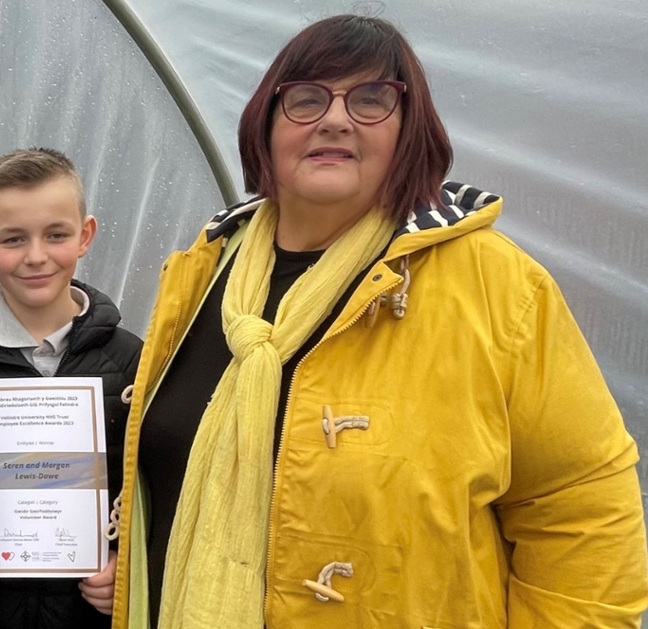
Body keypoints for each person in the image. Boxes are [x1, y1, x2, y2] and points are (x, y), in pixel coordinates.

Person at [109, 14, 648, 629]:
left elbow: (579, 507)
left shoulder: (498, 288)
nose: (334, 118)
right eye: (306, 98)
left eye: (371, 100)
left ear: (408, 131)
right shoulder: (205, 273)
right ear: (267, 124)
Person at [0, 148, 141, 628]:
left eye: (56, 235)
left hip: (87, 616)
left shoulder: (132, 362)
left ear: (85, 235)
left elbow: (151, 491)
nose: (36, 256)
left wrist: (124, 566)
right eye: (13, 239)